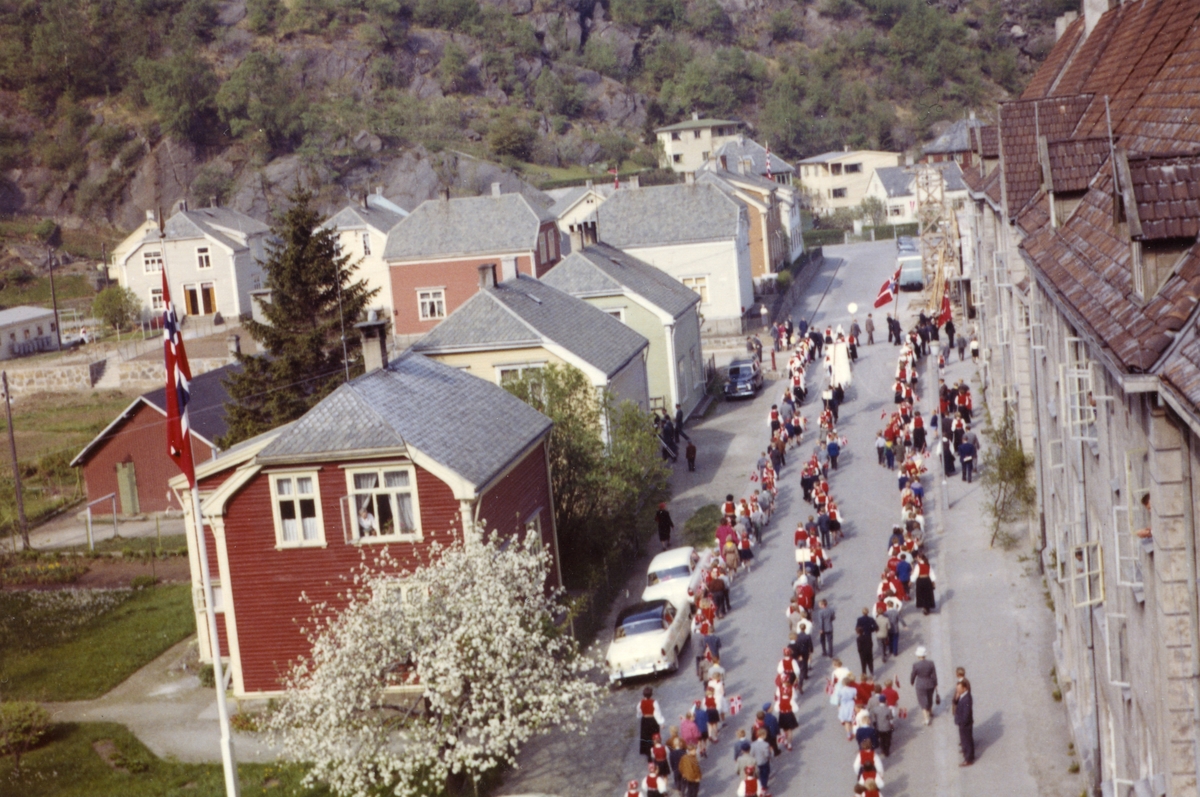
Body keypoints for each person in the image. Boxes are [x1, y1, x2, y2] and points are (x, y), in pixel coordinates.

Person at [910, 647, 939, 726]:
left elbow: (913, 674)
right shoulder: (931, 663)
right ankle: (930, 712)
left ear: (918, 655)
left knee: (922, 701)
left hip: (920, 684)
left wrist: (912, 681)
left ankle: (926, 719)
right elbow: (934, 675)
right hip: (930, 683)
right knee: (930, 698)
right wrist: (935, 683)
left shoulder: (916, 665)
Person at [638, 686, 665, 758]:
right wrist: (661, 723)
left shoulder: (640, 702)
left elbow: (639, 712)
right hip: (652, 720)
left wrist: (642, 714)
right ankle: (656, 752)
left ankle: (649, 755)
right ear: (651, 694)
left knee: (646, 738)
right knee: (654, 737)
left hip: (644, 721)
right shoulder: (654, 702)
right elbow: (658, 713)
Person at [955, 679, 975, 766]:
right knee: (965, 740)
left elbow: (966, 713)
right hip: (963, 723)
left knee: (966, 740)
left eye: (959, 689)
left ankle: (968, 759)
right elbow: (955, 702)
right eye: (957, 689)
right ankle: (968, 754)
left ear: (965, 688)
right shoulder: (962, 695)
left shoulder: (967, 699)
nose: (958, 691)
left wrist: (962, 722)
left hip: (965, 724)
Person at [855, 608, 879, 675]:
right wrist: (871, 630)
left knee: (863, 661)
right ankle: (871, 670)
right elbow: (875, 626)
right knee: (869, 645)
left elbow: (857, 627)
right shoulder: (870, 619)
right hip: (868, 635)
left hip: (861, 634)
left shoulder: (859, 619)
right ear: (868, 612)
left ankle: (864, 673)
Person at [751, 728, 772, 794]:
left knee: (758, 774)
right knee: (765, 774)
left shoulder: (753, 744)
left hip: (756, 762)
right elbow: (767, 754)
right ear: (764, 735)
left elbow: (751, 754)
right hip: (764, 762)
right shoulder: (766, 744)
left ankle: (759, 785)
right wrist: (770, 756)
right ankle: (764, 786)